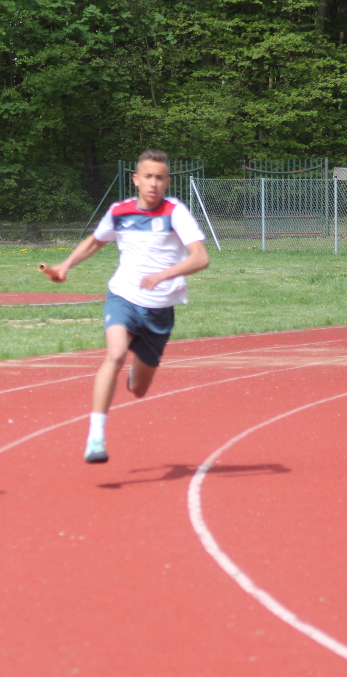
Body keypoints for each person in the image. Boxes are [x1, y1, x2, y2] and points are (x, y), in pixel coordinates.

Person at [47, 149, 209, 463]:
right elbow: (95, 241)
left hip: (159, 311)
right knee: (116, 353)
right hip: (123, 297)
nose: (153, 183)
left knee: (138, 390)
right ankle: (95, 437)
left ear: (167, 182)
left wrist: (164, 274)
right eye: (147, 176)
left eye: (160, 178)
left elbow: (201, 257)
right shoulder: (120, 211)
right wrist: (65, 265)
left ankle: (136, 371)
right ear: (135, 179)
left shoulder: (175, 212)